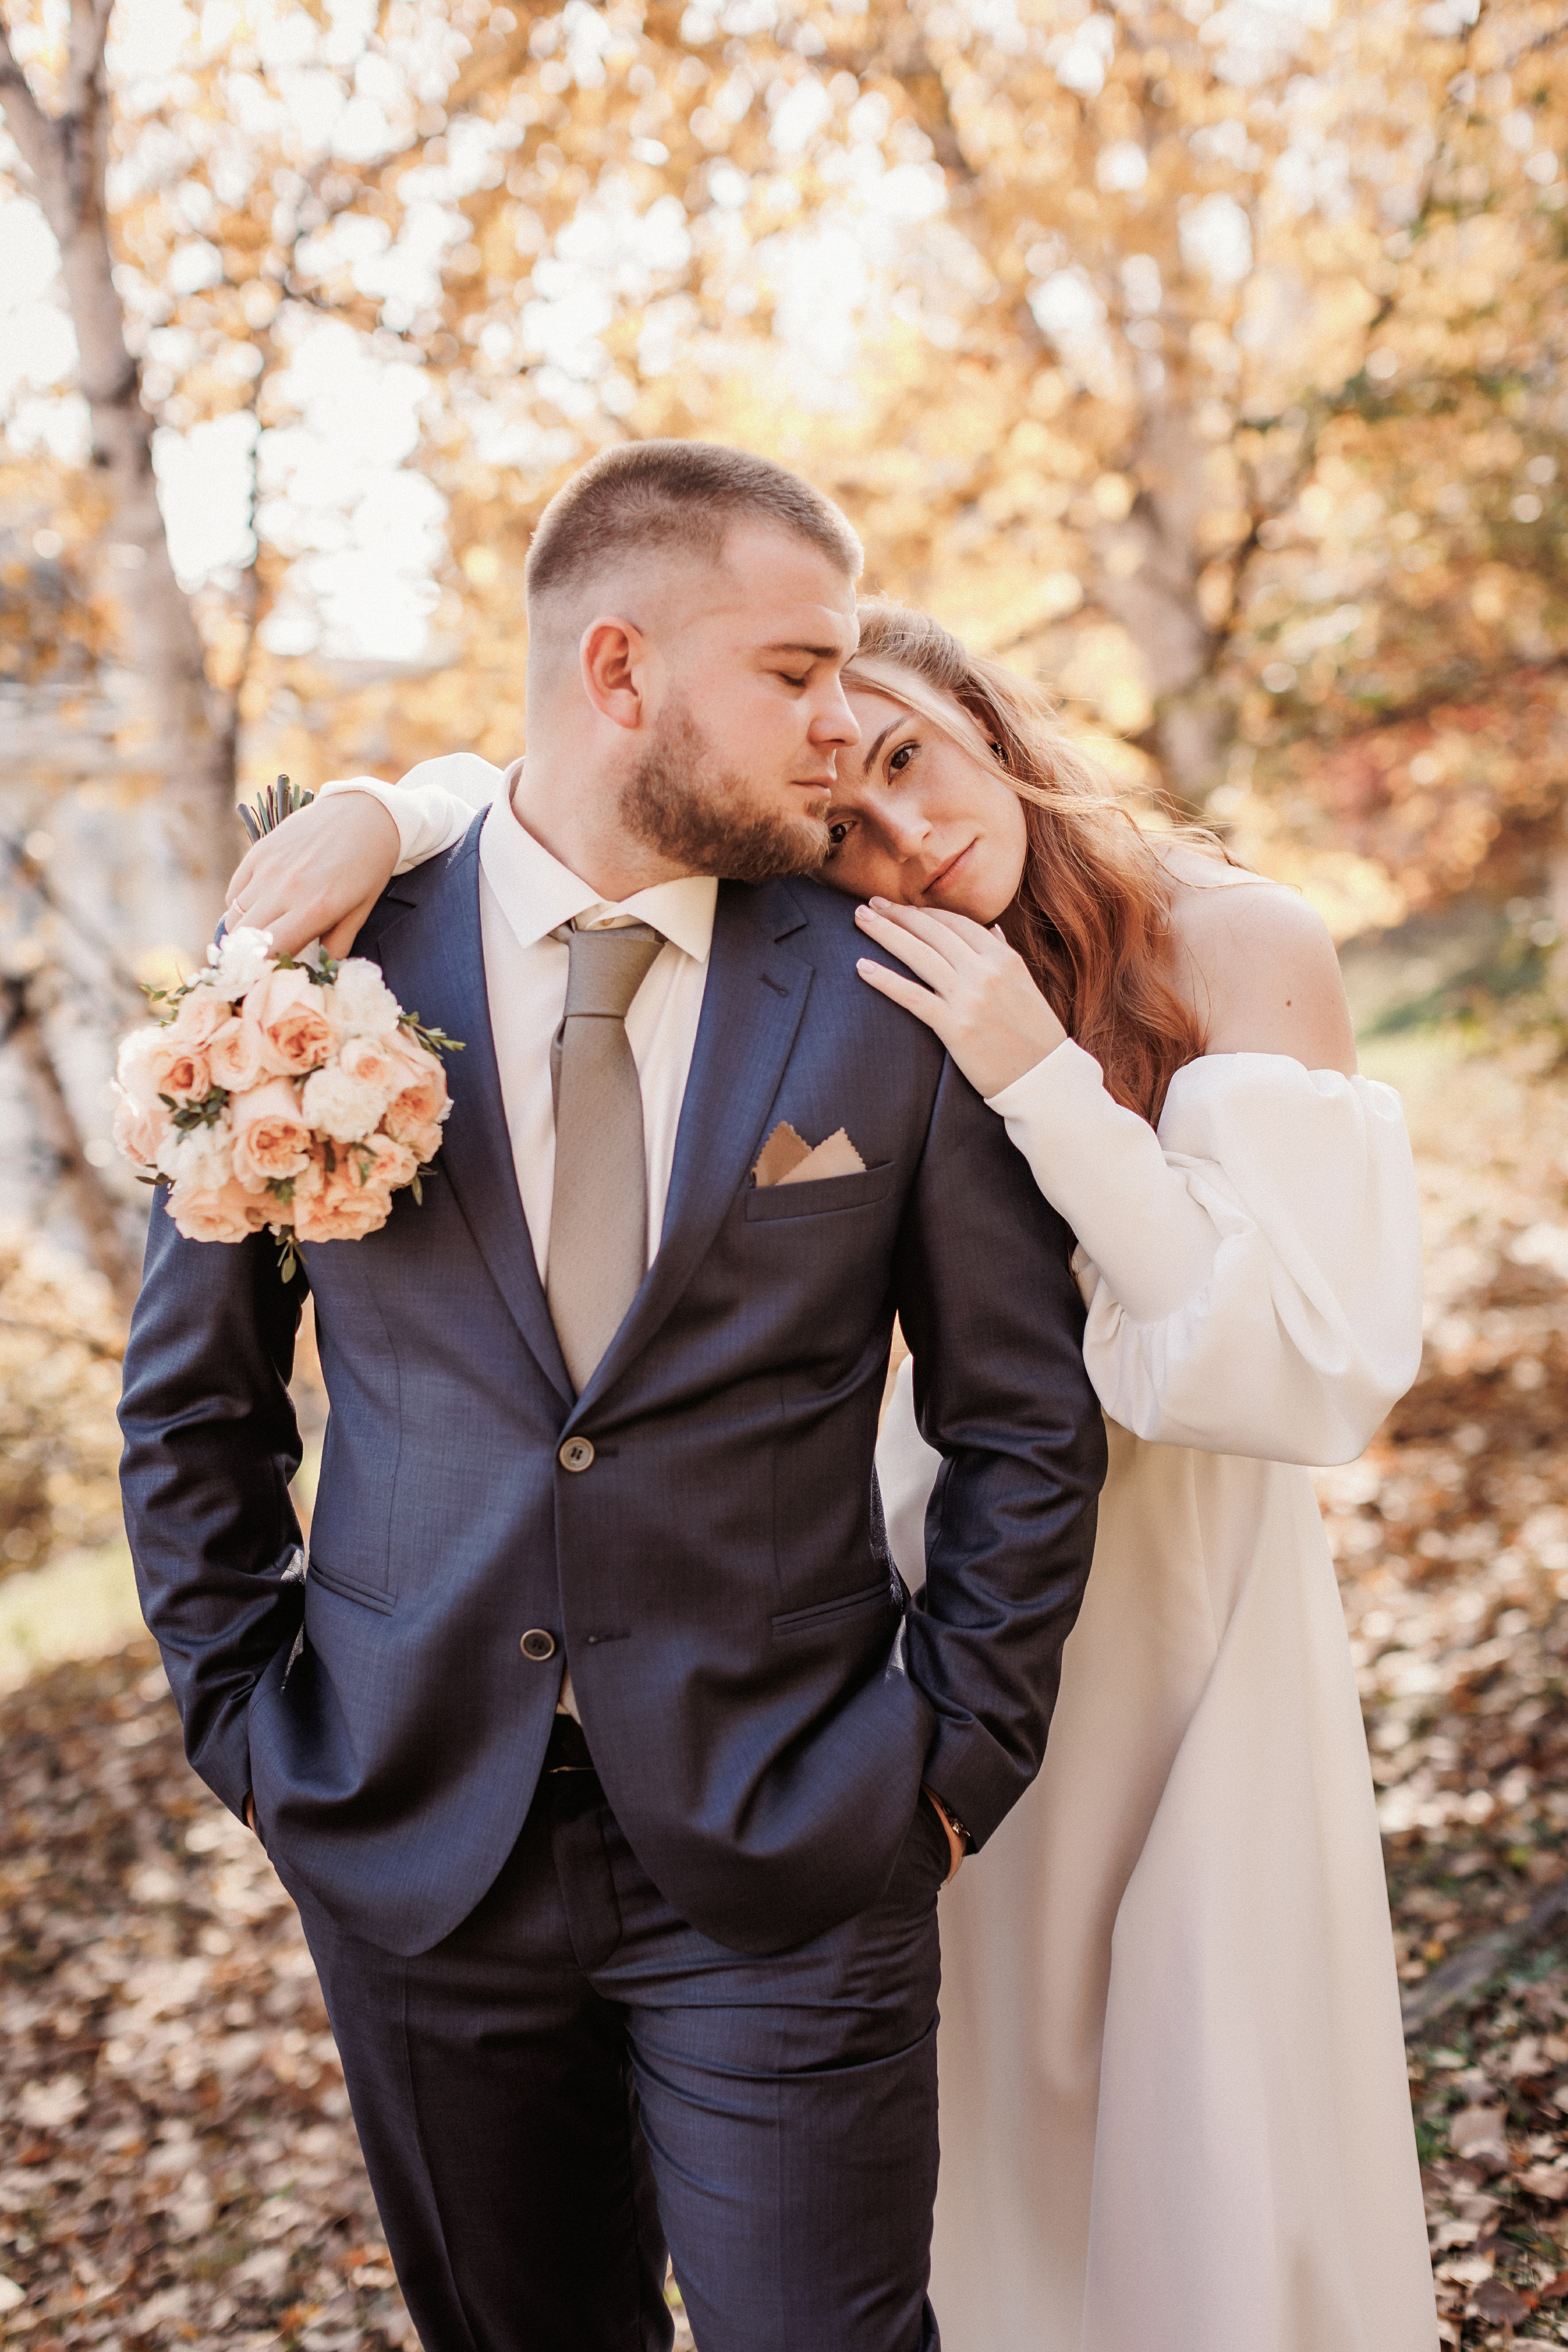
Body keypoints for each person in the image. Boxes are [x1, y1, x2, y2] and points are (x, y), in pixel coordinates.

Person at [231, 594, 1437, 2350]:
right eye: (845, 823)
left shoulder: (1233, 944)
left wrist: (1046, 1083)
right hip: (919, 1629)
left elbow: (1294, 1380)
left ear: (988, 722)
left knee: (1203, 2111)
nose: (909, 838)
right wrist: (388, 806)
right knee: (967, 2152)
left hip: (1185, 1621)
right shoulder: (855, 961)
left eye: (910, 762)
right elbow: (598, 784)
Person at [119, 443, 1107, 2352]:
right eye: (798, 673)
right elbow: (193, 1402)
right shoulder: (311, 968)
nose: (845, 722)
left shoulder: (890, 990)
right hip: (404, 1833)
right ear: (621, 671)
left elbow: (1020, 1414)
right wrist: (246, 1731)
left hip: (796, 1836)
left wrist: (952, 1769)